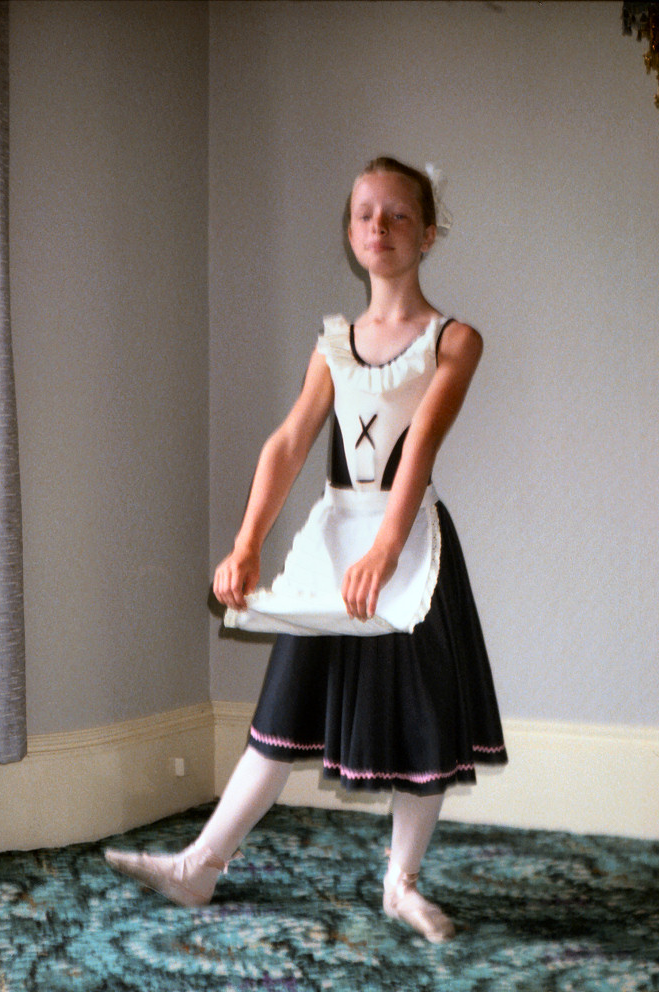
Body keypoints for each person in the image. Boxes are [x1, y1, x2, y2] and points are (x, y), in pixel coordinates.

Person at [106, 156, 507, 942]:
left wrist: (386, 550)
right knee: (282, 709)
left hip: (408, 545)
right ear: (350, 231)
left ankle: (401, 883)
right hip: (334, 539)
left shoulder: (455, 340)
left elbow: (421, 443)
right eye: (364, 213)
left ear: (428, 233)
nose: (379, 227)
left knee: (422, 712)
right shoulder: (334, 344)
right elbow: (289, 442)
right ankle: (200, 864)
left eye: (398, 214)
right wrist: (247, 543)